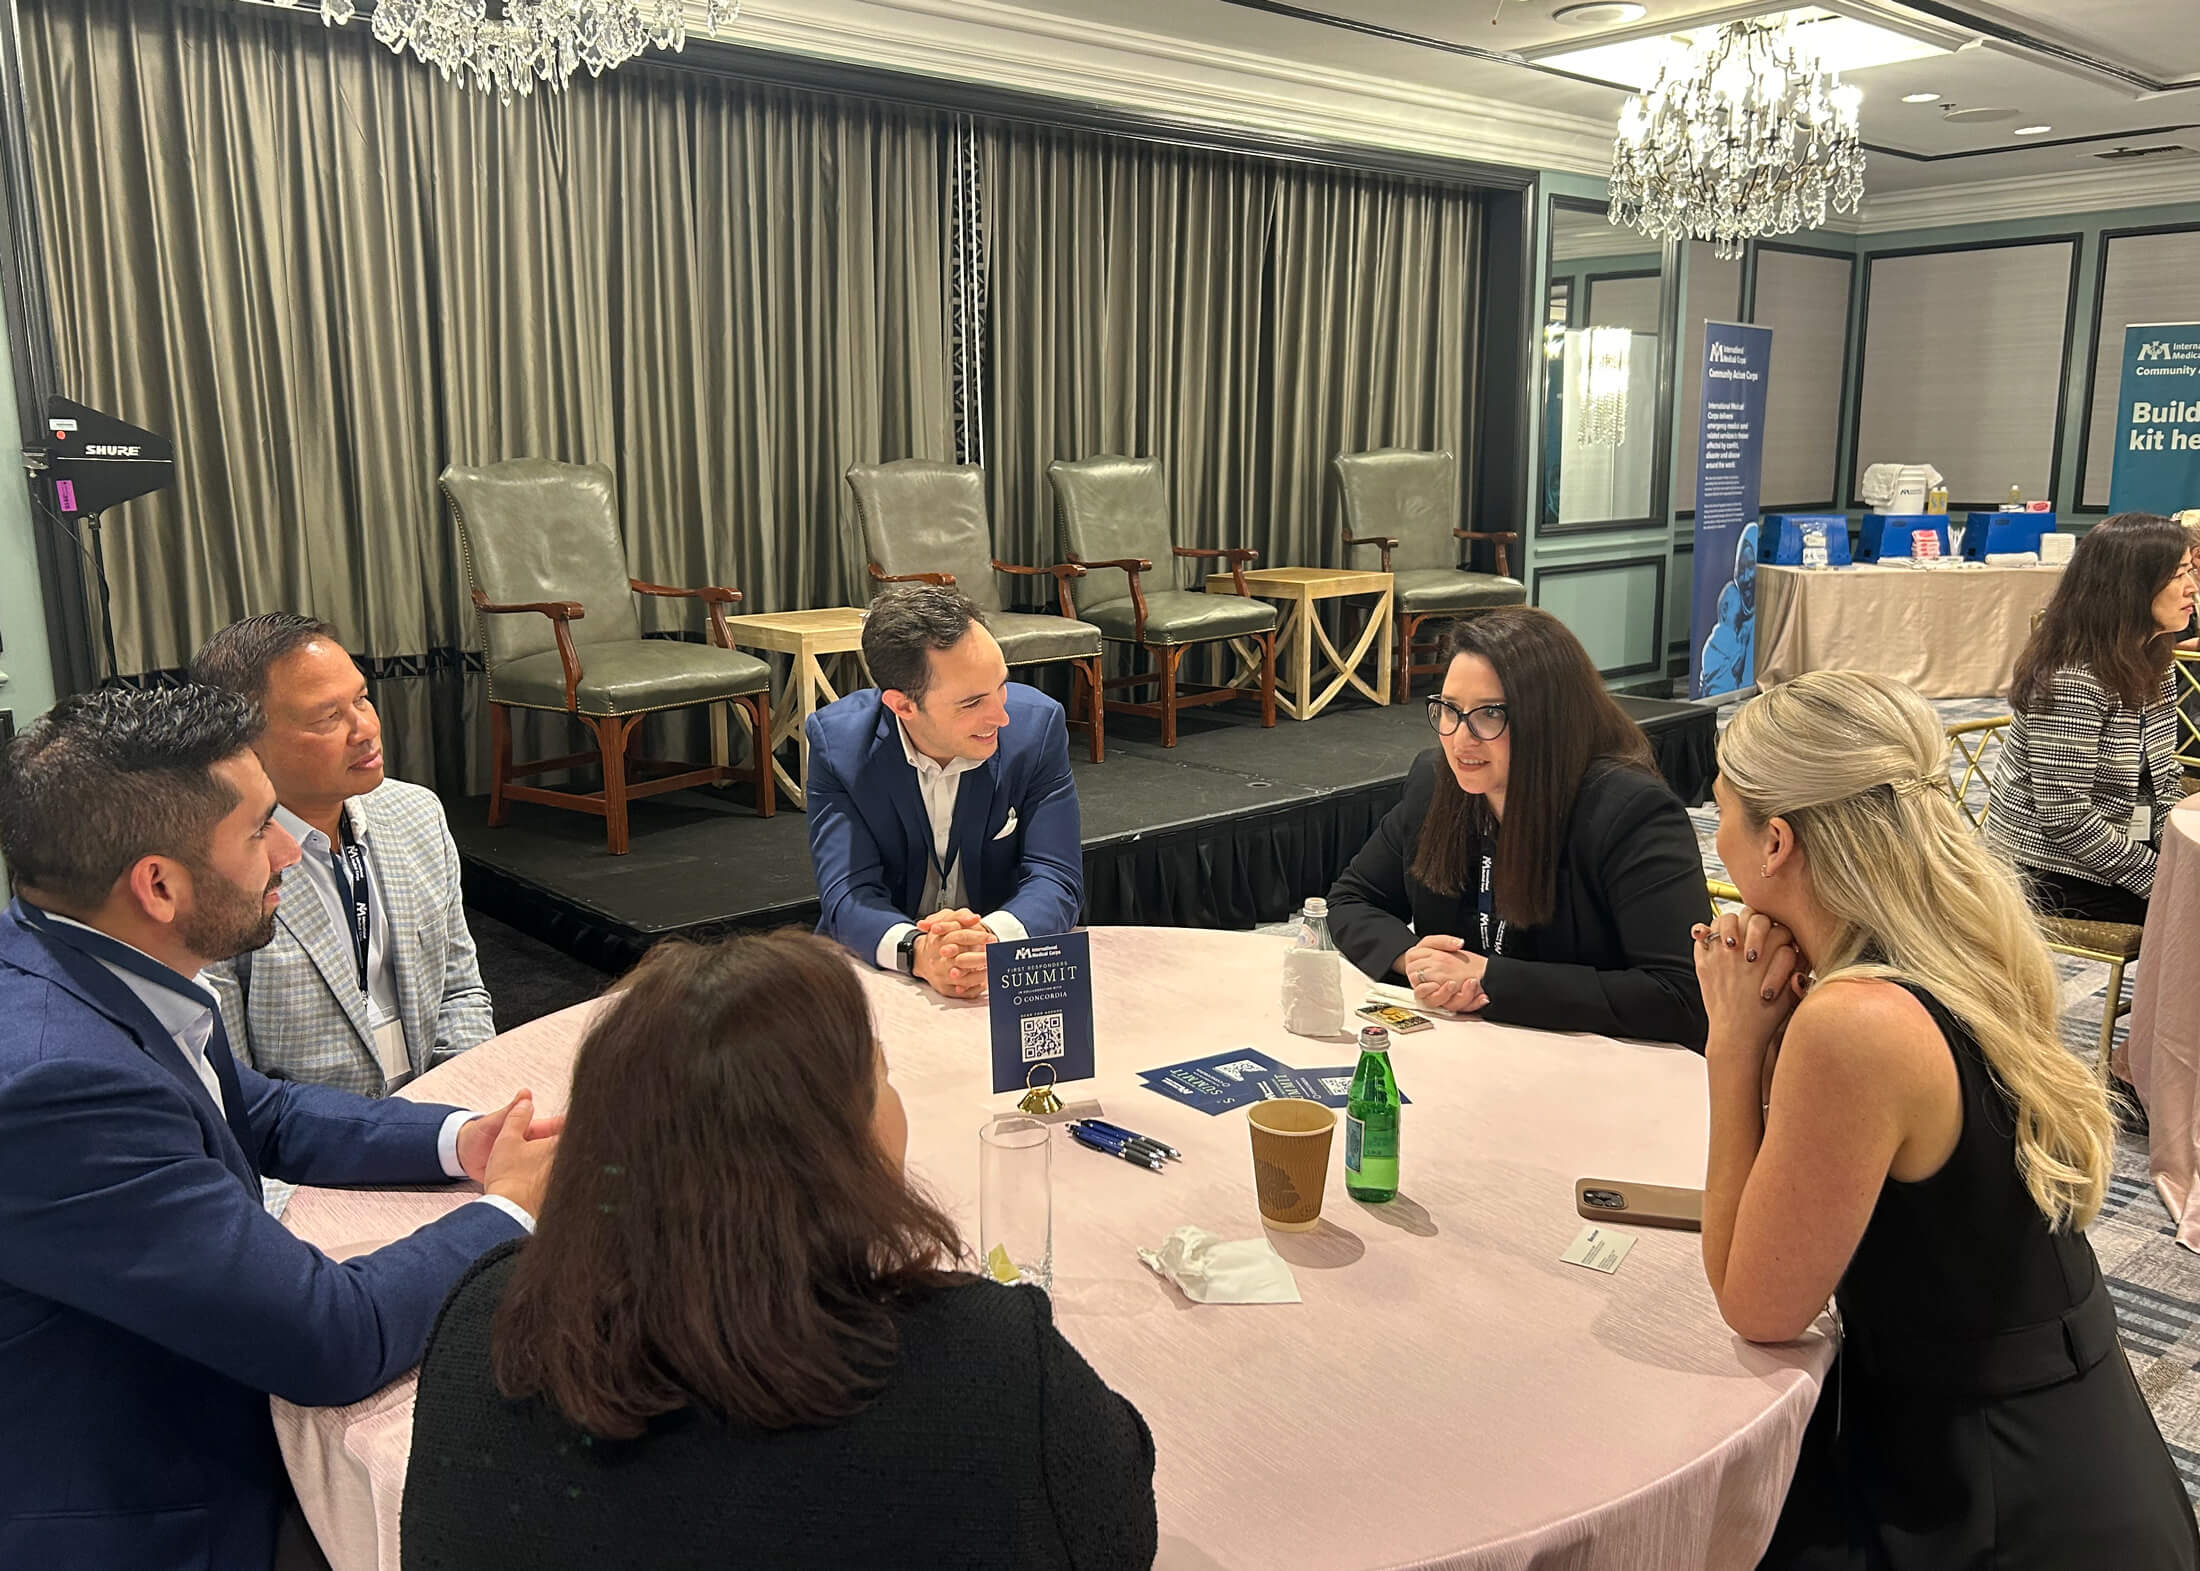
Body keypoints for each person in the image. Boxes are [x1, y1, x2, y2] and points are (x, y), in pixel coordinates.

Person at [0, 686, 559, 1571]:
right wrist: (509, 1211)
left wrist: (462, 1139)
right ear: (158, 884)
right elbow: (330, 1337)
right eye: (262, 830)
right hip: (158, 1511)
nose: (291, 854)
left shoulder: (94, 957)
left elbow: (256, 1109)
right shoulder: (60, 1087)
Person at [401, 930, 1156, 1570]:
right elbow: (1116, 1521)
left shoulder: (484, 1327)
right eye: (881, 1080)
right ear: (841, 1145)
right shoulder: (988, 1366)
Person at [1698, 669, 2198, 1570]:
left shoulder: (1853, 1023)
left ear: (1776, 841)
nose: (1716, 831)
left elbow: (1756, 1301)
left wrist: (1733, 1051)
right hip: (2070, 1433)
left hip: (1993, 1497)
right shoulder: (1956, 945)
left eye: (1721, 810)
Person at [1325, 607, 1708, 1049]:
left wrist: (1491, 978)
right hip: (1470, 1053)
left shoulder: (1630, 812)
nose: (1460, 737)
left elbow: (1679, 996)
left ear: (1548, 719)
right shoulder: (1435, 783)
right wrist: (1414, 958)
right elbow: (1352, 899)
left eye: (1489, 714)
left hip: (1594, 1070)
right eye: (1449, 710)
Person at [191, 614, 492, 1094]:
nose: (366, 729)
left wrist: (462, 1111)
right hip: (314, 1152)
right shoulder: (214, 869)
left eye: (362, 700)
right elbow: (235, 1088)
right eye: (328, 717)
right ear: (242, 743)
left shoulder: (415, 813)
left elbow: (460, 991)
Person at [806, 585, 1082, 999]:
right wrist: (919, 953)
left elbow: (1056, 877)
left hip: (1000, 973)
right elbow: (848, 895)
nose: (1001, 716)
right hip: (882, 972)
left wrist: (989, 940)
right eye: (972, 703)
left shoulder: (1036, 729)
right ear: (902, 706)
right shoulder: (839, 747)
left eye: (1001, 686)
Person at [1987, 511, 2195, 925]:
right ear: (2131, 587)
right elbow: (2065, 817)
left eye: (2191, 571)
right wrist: (2163, 876)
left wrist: (2176, 853)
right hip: (2049, 867)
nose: (2193, 588)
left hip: (2118, 842)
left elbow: (2163, 775)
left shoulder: (2153, 656)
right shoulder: (2074, 676)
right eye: (2178, 575)